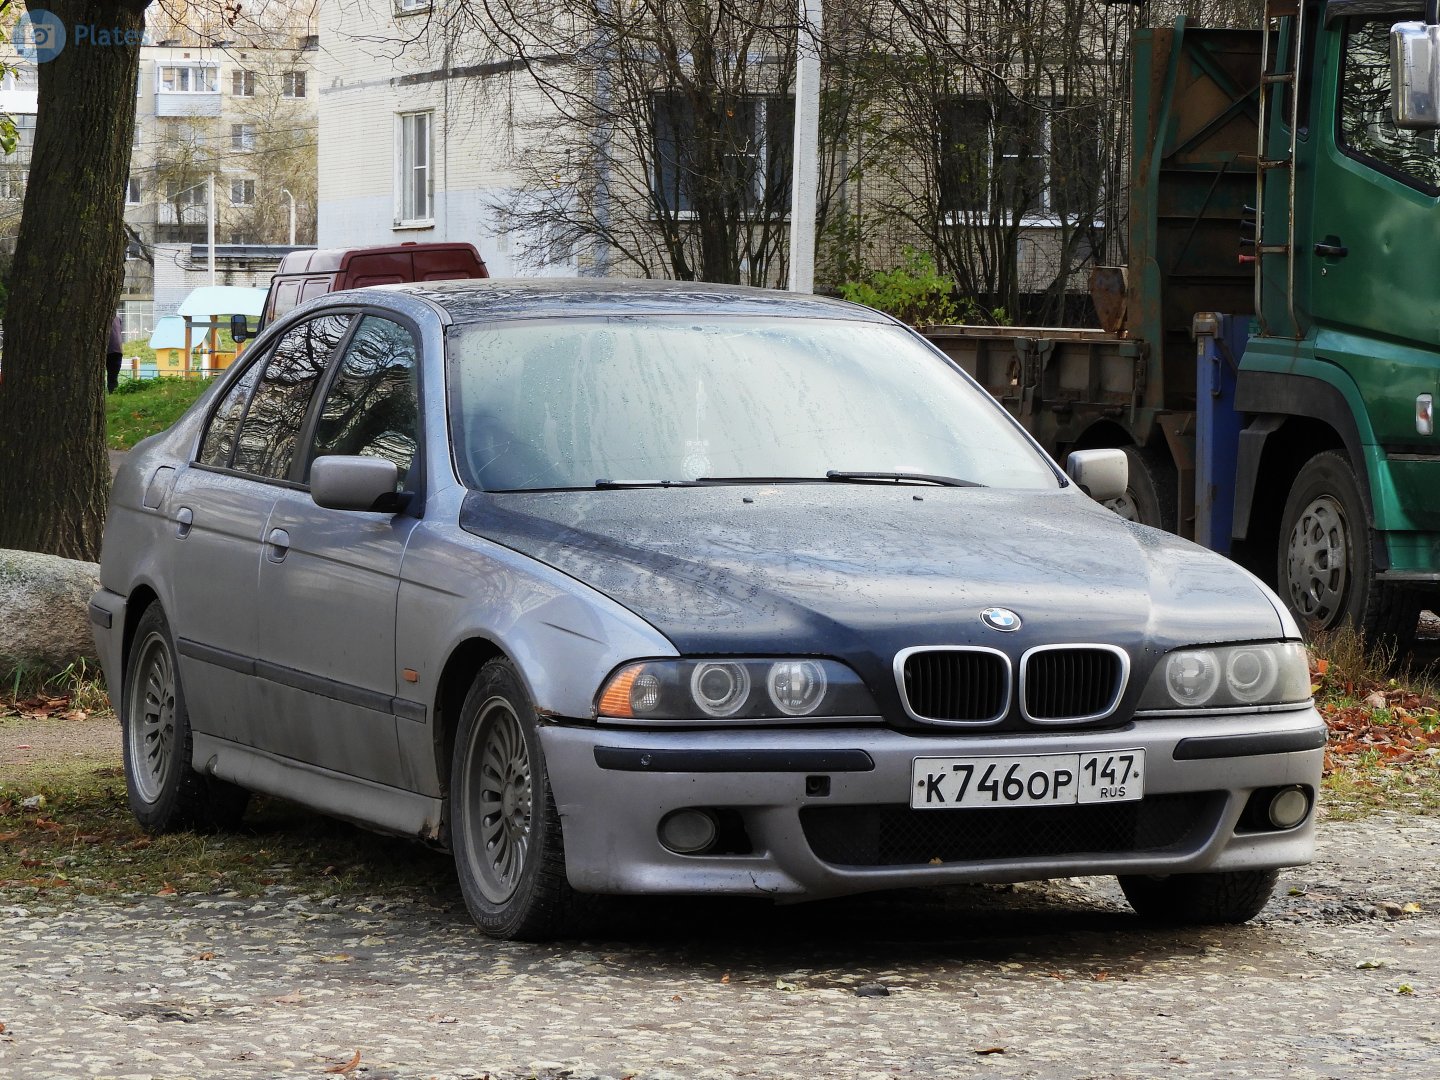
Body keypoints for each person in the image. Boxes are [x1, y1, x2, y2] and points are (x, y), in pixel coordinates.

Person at [106, 315, 123, 393]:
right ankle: (113, 393)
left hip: (108, 350)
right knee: (113, 377)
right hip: (118, 350)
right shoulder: (117, 318)